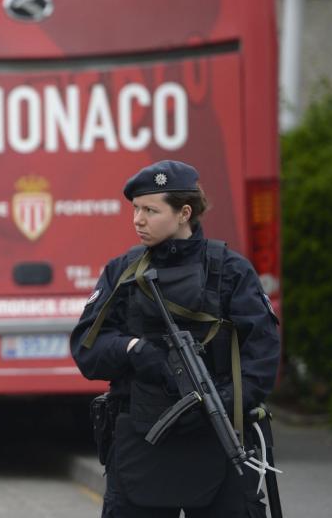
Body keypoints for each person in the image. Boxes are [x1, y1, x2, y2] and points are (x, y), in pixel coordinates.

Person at [70, 159, 280, 518]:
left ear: (184, 213)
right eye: (135, 209)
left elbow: (261, 355)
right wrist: (133, 350)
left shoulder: (230, 270)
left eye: (151, 210)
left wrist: (222, 402)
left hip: (217, 436)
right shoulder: (122, 272)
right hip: (141, 442)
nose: (138, 220)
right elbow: (87, 350)